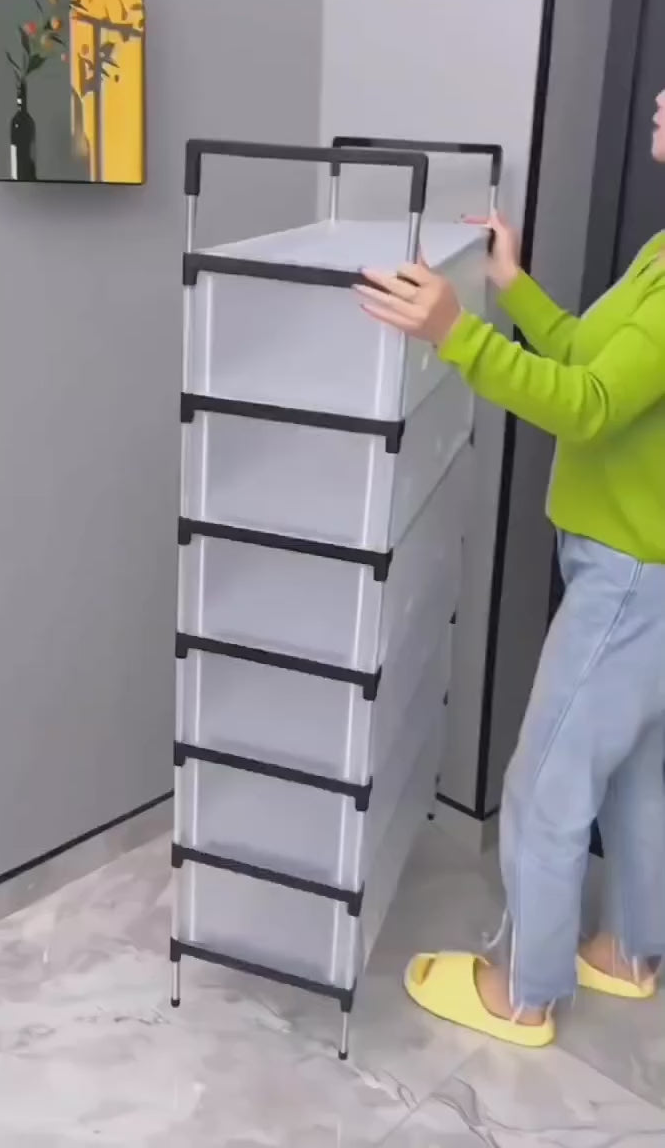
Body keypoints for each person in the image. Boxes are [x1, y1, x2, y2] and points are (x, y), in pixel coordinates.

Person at [355, 93, 665, 1049]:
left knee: (545, 779)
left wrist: (458, 330)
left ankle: (522, 994)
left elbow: (586, 403)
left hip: (633, 577)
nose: (659, 98)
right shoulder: (662, 254)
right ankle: (630, 953)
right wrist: (514, 286)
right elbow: (589, 355)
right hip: (640, 569)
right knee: (635, 774)